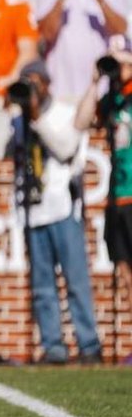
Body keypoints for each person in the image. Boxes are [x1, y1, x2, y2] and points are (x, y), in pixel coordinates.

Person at [0, 60, 101, 364]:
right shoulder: (17, 120)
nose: (30, 87)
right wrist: (4, 111)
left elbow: (65, 147)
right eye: (24, 82)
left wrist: (36, 117)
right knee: (42, 286)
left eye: (34, 81)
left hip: (63, 208)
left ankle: (89, 345)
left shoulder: (62, 113)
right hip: (32, 211)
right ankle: (53, 346)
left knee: (76, 281)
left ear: (46, 83)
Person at [75, 38, 132, 330]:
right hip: (117, 196)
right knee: (123, 268)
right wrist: (95, 82)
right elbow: (82, 122)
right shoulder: (113, 100)